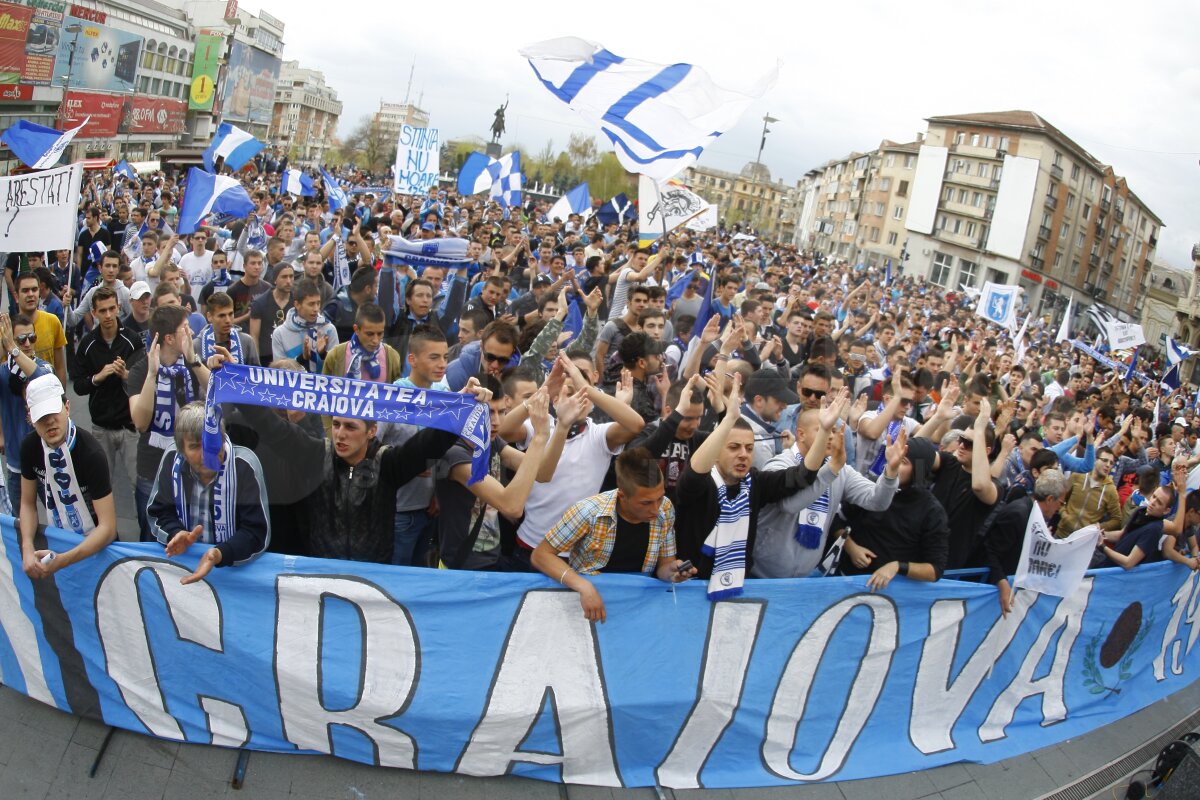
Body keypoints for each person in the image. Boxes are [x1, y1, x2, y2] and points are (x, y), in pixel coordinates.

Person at [231, 374, 490, 563]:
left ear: (371, 431)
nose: (340, 434)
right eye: (336, 425)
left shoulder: (388, 463)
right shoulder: (315, 455)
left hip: (371, 579)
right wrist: (235, 380)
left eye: (350, 427)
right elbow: (270, 426)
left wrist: (461, 403)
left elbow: (430, 442)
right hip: (321, 573)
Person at [673, 373, 823, 586]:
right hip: (691, 584)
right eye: (734, 447)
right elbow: (694, 475)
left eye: (749, 448)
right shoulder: (702, 484)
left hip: (737, 586)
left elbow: (803, 476)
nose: (743, 454)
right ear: (716, 451)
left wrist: (824, 432)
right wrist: (729, 419)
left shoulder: (755, 482)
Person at [533, 447, 696, 622]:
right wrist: (583, 586)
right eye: (646, 503)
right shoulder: (588, 511)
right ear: (622, 495)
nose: (656, 509)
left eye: (660, 498)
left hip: (638, 605)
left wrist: (672, 572)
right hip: (591, 606)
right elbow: (541, 555)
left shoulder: (666, 508)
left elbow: (665, 565)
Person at [754, 396, 902, 578]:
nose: (830, 436)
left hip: (805, 576)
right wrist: (831, 470)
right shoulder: (780, 464)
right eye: (822, 430)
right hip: (764, 575)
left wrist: (890, 473)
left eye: (833, 430)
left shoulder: (840, 469)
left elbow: (876, 502)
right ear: (801, 434)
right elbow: (790, 506)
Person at [434, 384, 559, 570]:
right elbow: (511, 506)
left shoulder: (489, 440)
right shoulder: (455, 454)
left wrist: (563, 426)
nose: (496, 421)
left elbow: (543, 473)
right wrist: (539, 437)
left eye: (501, 412)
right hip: (462, 566)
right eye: (488, 413)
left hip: (492, 556)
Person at [147, 402, 271, 584]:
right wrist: (175, 533)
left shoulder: (245, 465)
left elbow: (255, 533)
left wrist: (219, 554)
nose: (207, 454)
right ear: (182, 451)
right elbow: (159, 512)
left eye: (213, 443)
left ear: (223, 438)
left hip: (232, 572)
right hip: (183, 566)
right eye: (195, 446)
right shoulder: (172, 459)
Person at [126, 305, 215, 541]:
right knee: (151, 534)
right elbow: (140, 422)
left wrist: (194, 362)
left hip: (190, 466)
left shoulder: (191, 363)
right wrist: (152, 376)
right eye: (185, 328)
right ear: (169, 338)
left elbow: (217, 395)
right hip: (152, 468)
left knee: (189, 534)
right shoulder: (140, 370)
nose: (192, 333)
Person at [19, 374, 117, 578]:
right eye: (41, 416)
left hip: (97, 547)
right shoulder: (29, 447)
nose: (49, 422)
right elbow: (27, 503)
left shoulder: (91, 453)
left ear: (67, 407)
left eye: (53, 412)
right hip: (58, 542)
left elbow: (108, 527)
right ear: (31, 419)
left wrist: (63, 560)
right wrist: (27, 547)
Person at [839, 436, 950, 589]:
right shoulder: (872, 487)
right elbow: (837, 520)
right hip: (846, 580)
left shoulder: (932, 511)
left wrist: (898, 567)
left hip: (890, 592)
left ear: (919, 470)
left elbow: (935, 570)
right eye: (891, 458)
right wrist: (851, 547)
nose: (893, 464)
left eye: (902, 461)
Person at [71, 287, 143, 493]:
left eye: (112, 309)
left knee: (139, 485)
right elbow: (78, 386)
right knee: (102, 486)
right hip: (101, 427)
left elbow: (145, 382)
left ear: (119, 307)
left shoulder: (132, 340)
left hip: (130, 426)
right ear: (94, 313)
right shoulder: (87, 344)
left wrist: (126, 375)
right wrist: (97, 378)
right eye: (102, 311)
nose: (108, 315)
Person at [980, 469, 1069, 616]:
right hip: (988, 588)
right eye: (1061, 503)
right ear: (1049, 499)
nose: (1060, 508)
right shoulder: (1017, 514)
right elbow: (990, 552)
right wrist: (1002, 583)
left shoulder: (1034, 515)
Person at [0, 313, 52, 508]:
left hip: (45, 460)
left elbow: (41, 379)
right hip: (16, 462)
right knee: (21, 518)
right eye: (21, 339)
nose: (28, 344)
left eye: (32, 337)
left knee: (57, 516)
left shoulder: (43, 367)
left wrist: (14, 350)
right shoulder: (4, 372)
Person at [1098, 465, 1190, 569]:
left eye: (1159, 502)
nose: (1153, 502)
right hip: (1105, 564)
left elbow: (1128, 563)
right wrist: (1100, 534)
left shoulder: (1154, 529)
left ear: (1166, 511)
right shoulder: (1141, 510)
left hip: (1115, 573)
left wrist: (1103, 547)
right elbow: (1121, 534)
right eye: (1154, 497)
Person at [271, 278, 339, 372]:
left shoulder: (329, 329)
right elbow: (278, 373)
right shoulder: (279, 333)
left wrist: (323, 354)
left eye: (318, 303)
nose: (316, 309)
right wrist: (302, 358)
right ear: (297, 305)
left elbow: (337, 369)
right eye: (311, 304)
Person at [12, 272, 67, 386]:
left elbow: (60, 367)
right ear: (16, 296)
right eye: (25, 290)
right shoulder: (6, 329)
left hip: (48, 392)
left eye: (34, 289)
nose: (30, 294)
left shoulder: (53, 321)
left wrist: (61, 394)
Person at [1057, 446, 1123, 535]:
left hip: (1084, 540)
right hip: (1062, 533)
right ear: (1095, 460)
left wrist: (1098, 527)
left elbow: (1117, 519)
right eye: (1104, 460)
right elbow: (1059, 498)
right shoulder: (1078, 475)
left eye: (1111, 463)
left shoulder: (1110, 490)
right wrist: (1064, 515)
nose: (1108, 465)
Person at [444, 319, 519, 391]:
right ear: (481, 346)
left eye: (503, 360)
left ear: (512, 354)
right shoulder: (455, 373)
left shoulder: (515, 376)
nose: (495, 365)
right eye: (490, 357)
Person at [195, 292, 259, 367]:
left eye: (230, 314)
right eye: (222, 316)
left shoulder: (247, 341)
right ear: (209, 317)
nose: (228, 320)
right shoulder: (197, 345)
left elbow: (256, 373)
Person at [249, 260, 294, 364]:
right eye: (284, 277)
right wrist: (257, 364)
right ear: (275, 280)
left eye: (291, 276)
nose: (288, 281)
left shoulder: (298, 301)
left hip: (292, 355)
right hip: (266, 357)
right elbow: (254, 336)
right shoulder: (260, 303)